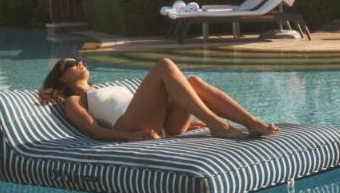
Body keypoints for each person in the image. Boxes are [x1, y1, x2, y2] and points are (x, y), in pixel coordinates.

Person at [38, 56, 279, 142]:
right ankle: (217, 125)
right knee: (164, 65)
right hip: (129, 126)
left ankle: (251, 122)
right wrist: (129, 137)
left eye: (79, 60)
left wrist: (184, 121)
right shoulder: (75, 101)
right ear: (63, 79)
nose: (79, 62)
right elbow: (94, 131)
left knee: (193, 81)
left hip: (159, 126)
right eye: (72, 63)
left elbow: (153, 106)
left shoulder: (100, 88)